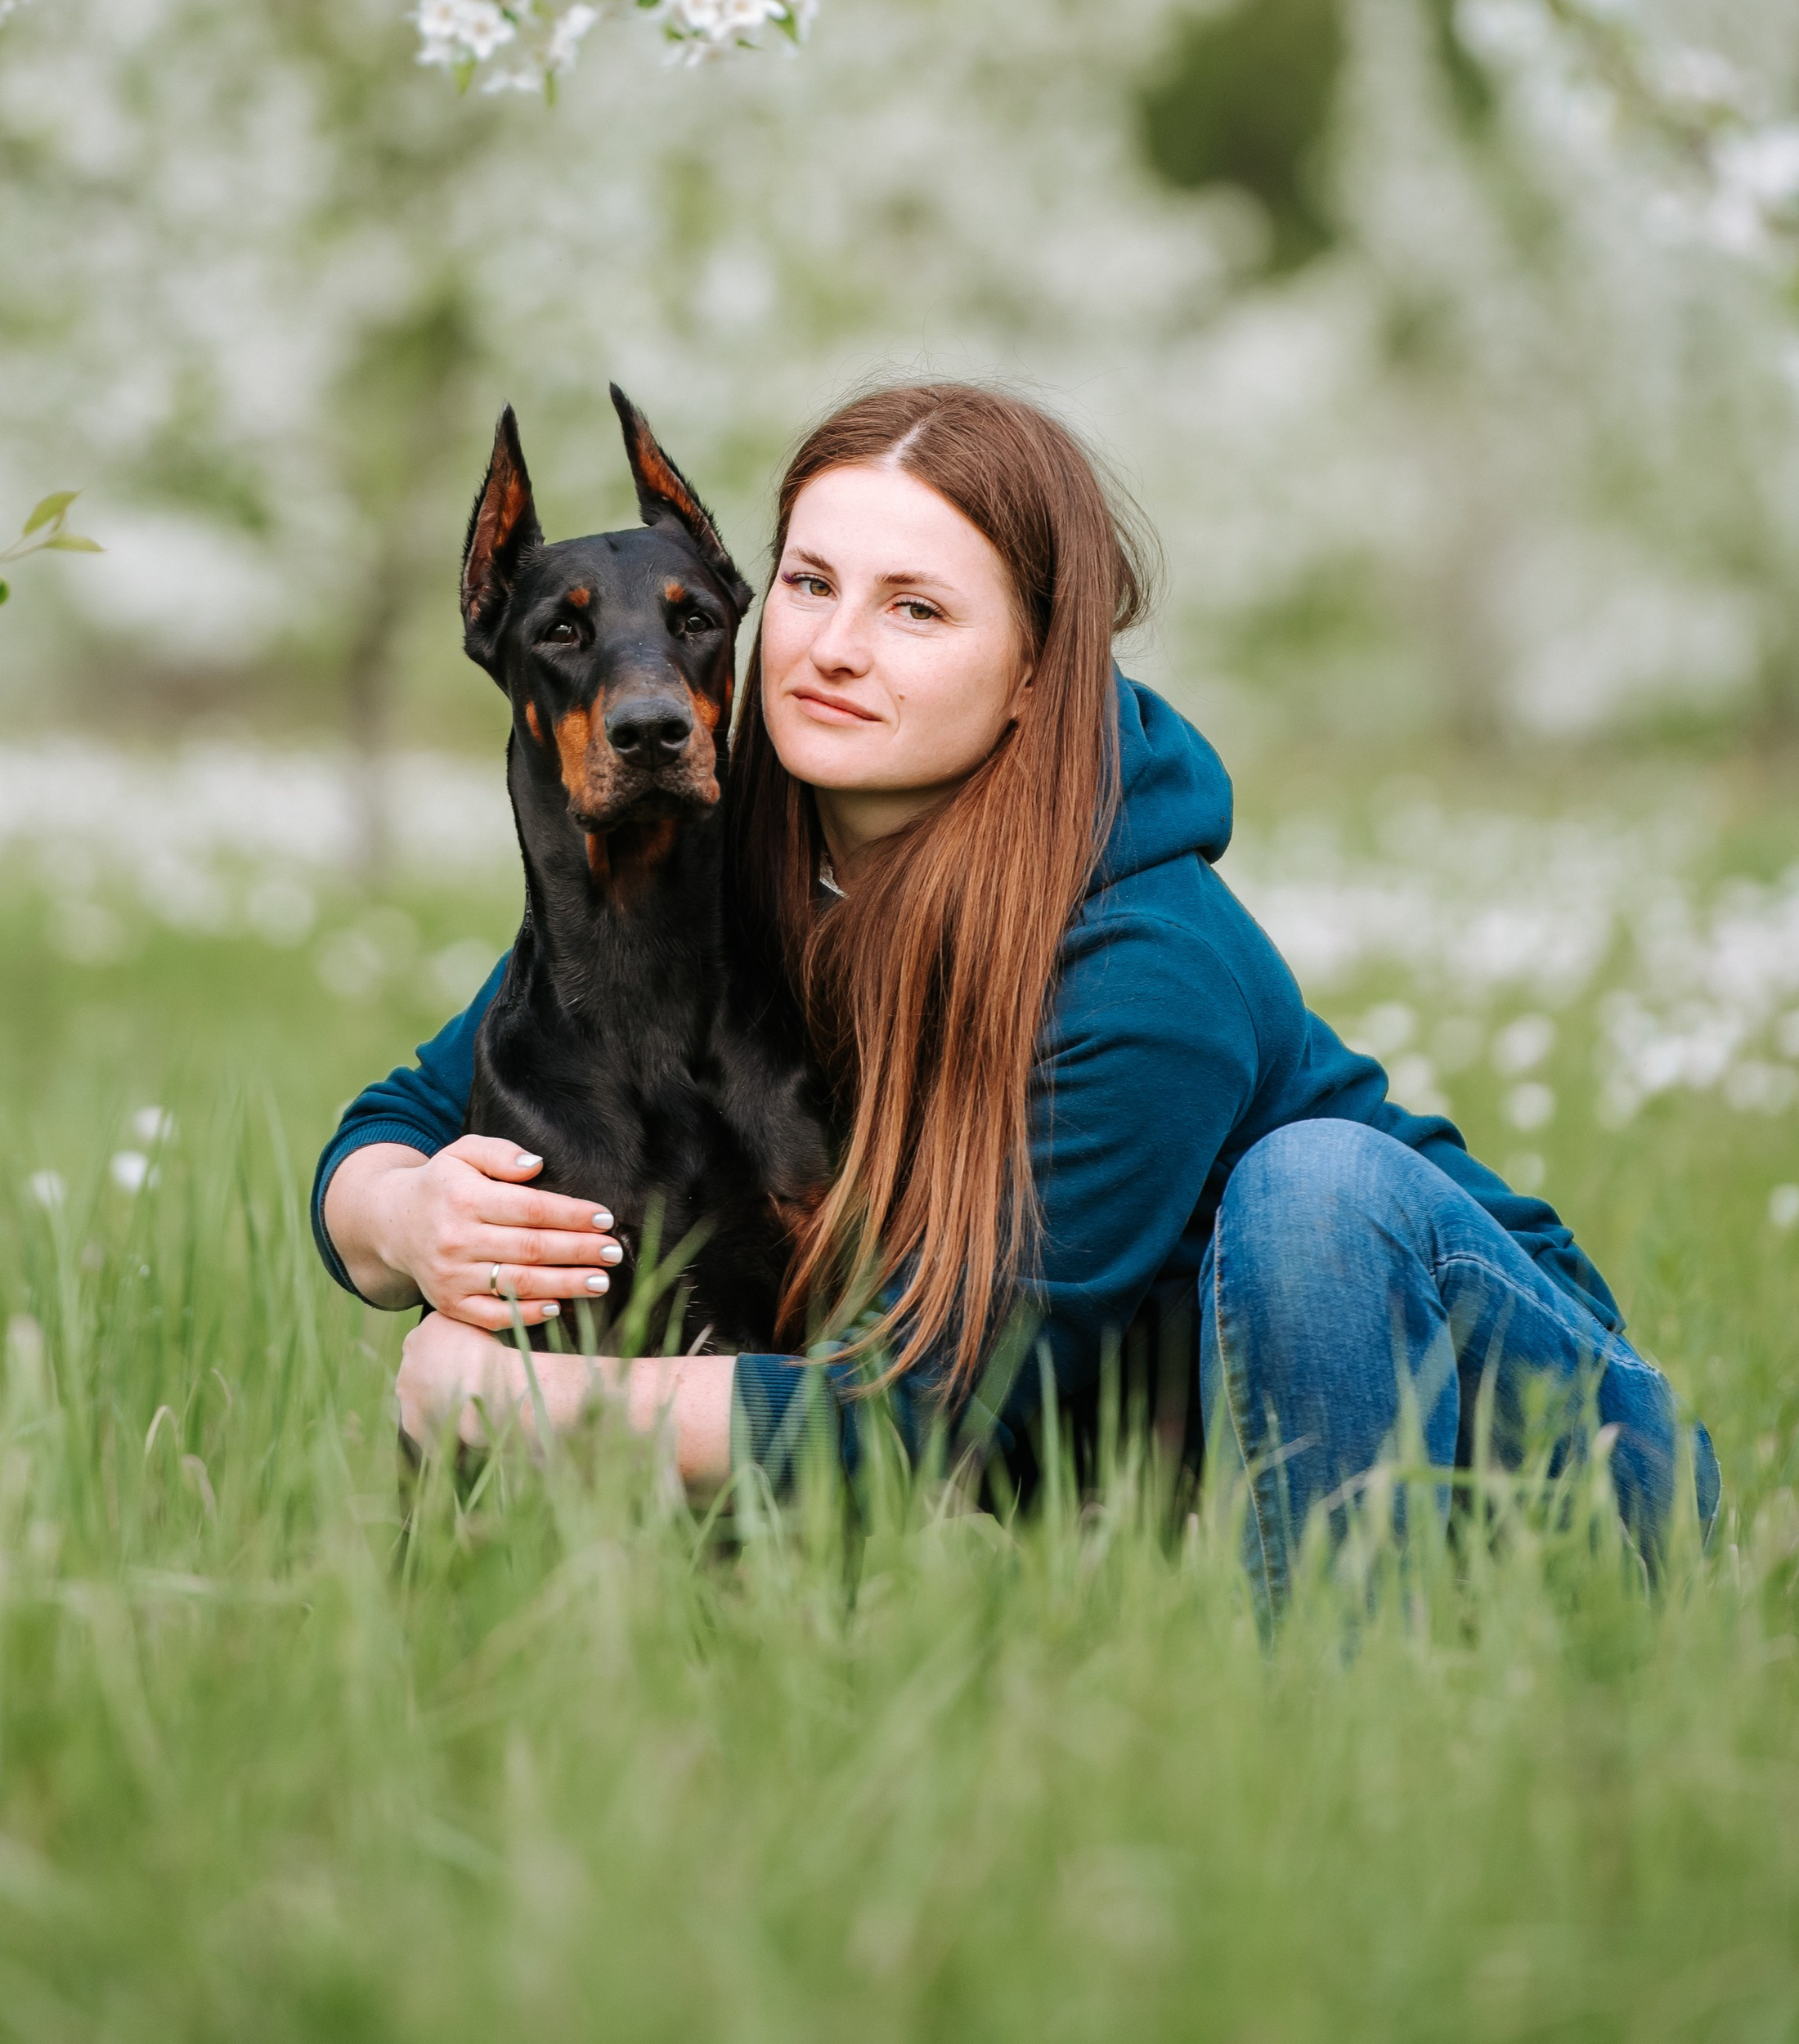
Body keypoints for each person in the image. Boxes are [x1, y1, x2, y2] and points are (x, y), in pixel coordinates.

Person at [313, 383, 1717, 1616]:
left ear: (1041, 672)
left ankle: (1369, 1716)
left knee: (1313, 1188)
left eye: (915, 607)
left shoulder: (1142, 962)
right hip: (1181, 1492)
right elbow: (432, 1099)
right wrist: (403, 1218)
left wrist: (524, 1400)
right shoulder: (733, 861)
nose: (836, 647)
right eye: (810, 585)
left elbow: (936, 1421)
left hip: (1548, 1459)